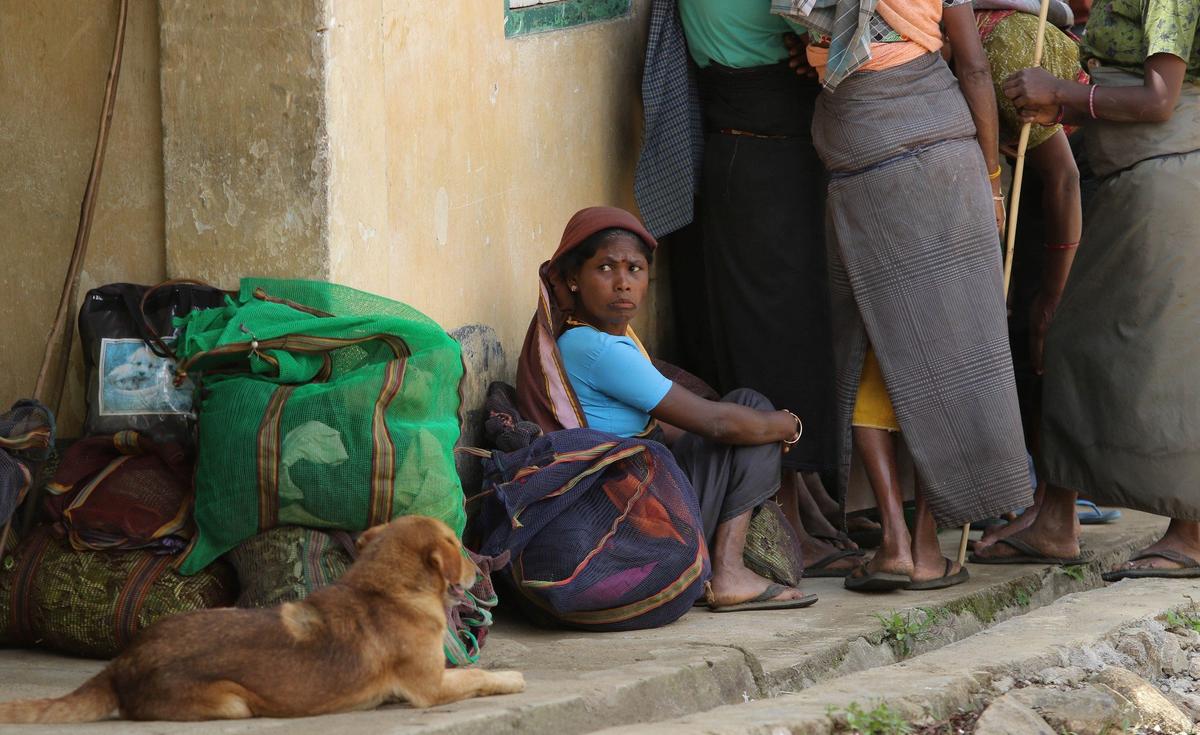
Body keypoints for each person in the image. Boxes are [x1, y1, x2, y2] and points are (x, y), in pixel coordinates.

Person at [775, 0, 1033, 591]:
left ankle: (893, 541)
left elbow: (809, 42)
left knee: (877, 347)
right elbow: (972, 67)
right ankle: (923, 544)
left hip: (856, 142)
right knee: (947, 352)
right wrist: (992, 178)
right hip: (938, 145)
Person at [971, 0, 1200, 577]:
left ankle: (1191, 533)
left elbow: (1159, 98)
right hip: (1131, 171)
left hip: (1164, 171)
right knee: (1072, 340)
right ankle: (1054, 519)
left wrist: (1064, 95)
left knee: (1169, 359)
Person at [635, 0, 863, 573]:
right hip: (766, 156)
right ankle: (784, 528)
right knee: (777, 341)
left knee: (772, 333)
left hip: (744, 150)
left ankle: (801, 507)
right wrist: (812, 52)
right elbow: (837, 38)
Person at [517, 206, 817, 612]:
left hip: (633, 503)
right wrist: (787, 424)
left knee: (746, 420)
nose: (622, 283)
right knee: (749, 411)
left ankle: (721, 565)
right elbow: (717, 422)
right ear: (573, 279)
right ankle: (728, 572)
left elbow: (658, 427)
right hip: (628, 517)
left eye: (634, 270)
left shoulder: (593, 341)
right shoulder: (595, 349)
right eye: (605, 268)